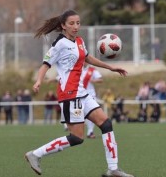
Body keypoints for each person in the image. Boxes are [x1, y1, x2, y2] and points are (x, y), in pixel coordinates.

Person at [24, 10, 134, 177]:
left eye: (78, 23)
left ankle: (113, 169)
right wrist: (39, 80)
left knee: (106, 124)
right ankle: (36, 154)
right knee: (76, 138)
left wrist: (111, 67)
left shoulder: (80, 41)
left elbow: (88, 58)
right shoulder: (59, 44)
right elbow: (45, 64)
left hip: (82, 93)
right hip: (69, 95)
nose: (76, 26)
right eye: (71, 23)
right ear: (63, 26)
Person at [81, 63, 103, 138]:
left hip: (90, 94)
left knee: (92, 113)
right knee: (80, 113)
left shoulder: (92, 70)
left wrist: (93, 80)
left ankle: (90, 131)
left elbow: (100, 79)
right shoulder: (77, 68)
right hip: (79, 94)